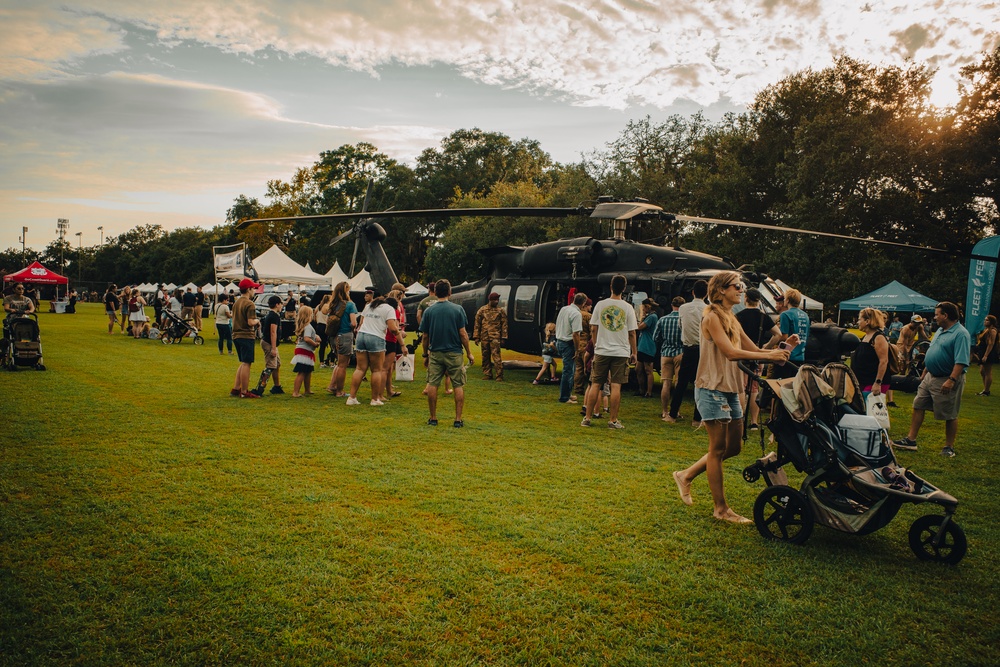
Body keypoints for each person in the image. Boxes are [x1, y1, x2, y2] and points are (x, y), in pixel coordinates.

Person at [673, 271, 795, 524]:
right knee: (717, 449)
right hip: (711, 388)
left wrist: (782, 349)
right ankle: (721, 509)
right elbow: (730, 353)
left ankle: (685, 475)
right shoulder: (713, 317)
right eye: (736, 286)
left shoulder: (731, 317)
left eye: (741, 286)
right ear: (720, 291)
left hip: (730, 389)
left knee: (734, 447)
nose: (741, 290)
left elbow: (754, 350)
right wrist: (769, 357)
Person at [893, 302, 971, 458]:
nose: (934, 317)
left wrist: (951, 380)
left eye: (936, 314)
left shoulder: (961, 334)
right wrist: (927, 369)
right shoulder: (941, 330)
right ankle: (911, 440)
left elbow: (961, 361)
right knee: (918, 404)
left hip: (946, 378)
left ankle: (949, 447)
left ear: (945, 315)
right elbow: (934, 351)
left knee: (950, 413)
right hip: (930, 377)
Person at [582, 274, 637, 429]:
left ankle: (587, 418)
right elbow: (632, 332)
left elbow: (594, 327)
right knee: (616, 386)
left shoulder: (600, 305)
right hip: (620, 351)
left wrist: (597, 344)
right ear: (624, 289)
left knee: (595, 384)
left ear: (611, 287)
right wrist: (634, 352)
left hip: (602, 350)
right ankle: (612, 420)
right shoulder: (627, 308)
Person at [419, 279, 474, 427]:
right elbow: (463, 333)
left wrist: (425, 355)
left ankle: (433, 417)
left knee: (432, 384)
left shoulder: (429, 311)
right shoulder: (458, 310)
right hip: (454, 352)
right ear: (450, 292)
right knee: (458, 385)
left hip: (435, 353)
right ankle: (457, 419)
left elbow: (425, 336)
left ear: (435, 292)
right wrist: (469, 352)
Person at [735, 288, 782, 429]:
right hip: (758, 356)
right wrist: (766, 347)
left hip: (742, 355)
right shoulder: (763, 317)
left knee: (741, 388)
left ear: (746, 299)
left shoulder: (739, 316)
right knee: (754, 388)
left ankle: (740, 418)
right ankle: (754, 421)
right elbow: (778, 334)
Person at [347, 290, 398, 406]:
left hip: (361, 336)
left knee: (360, 369)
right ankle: (375, 399)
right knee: (376, 370)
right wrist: (399, 333)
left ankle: (352, 397)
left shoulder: (369, 305)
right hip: (376, 337)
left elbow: (361, 322)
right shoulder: (389, 309)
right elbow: (392, 328)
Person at [667, 280, 708, 426]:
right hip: (703, 349)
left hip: (688, 347)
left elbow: (680, 325)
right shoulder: (708, 309)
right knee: (700, 383)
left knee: (681, 383)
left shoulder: (683, 308)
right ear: (707, 294)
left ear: (692, 292)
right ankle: (697, 419)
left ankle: (672, 414)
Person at [325, 281, 359, 397]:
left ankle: (332, 385)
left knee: (339, 363)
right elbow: (354, 323)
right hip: (345, 335)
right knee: (343, 365)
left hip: (334, 336)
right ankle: (339, 391)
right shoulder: (350, 305)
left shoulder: (333, 305)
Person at [654, 296, 685, 421]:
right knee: (678, 383)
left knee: (666, 383)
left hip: (666, 353)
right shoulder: (684, 320)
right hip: (680, 352)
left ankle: (664, 410)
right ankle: (675, 410)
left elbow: (655, 337)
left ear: (672, 305)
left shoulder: (663, 319)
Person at [850, 308, 891, 401]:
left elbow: (883, 361)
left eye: (860, 319)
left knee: (869, 408)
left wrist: (878, 383)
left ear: (867, 321)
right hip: (863, 380)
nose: (858, 322)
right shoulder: (866, 336)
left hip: (873, 382)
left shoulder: (878, 337)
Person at [230, 278, 262, 398]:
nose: (254, 290)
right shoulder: (249, 303)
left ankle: (236, 388)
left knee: (243, 362)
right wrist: (257, 321)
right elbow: (250, 322)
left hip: (236, 335)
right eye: (253, 288)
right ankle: (244, 391)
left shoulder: (236, 302)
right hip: (246, 335)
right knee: (247, 363)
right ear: (248, 289)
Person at [555, 292, 587, 404]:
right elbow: (576, 334)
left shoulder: (564, 309)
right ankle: (564, 397)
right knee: (568, 371)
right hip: (568, 343)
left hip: (559, 340)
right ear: (583, 303)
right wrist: (577, 349)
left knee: (571, 369)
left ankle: (568, 393)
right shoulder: (577, 314)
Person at [251, 295, 285, 396]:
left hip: (269, 342)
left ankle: (277, 386)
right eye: (281, 304)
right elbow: (273, 332)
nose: (282, 306)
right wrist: (273, 349)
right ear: (277, 304)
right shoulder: (274, 316)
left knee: (277, 364)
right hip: (269, 343)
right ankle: (260, 389)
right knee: (270, 366)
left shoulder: (270, 314)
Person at [774, 288, 810, 380]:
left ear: (788, 300)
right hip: (801, 356)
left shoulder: (785, 314)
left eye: (785, 299)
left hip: (787, 356)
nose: (784, 301)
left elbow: (784, 337)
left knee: (781, 385)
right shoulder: (805, 315)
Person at [473, 291, 508, 381]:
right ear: (490, 300)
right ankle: (487, 374)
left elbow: (504, 324)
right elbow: (477, 324)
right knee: (485, 356)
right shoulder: (482, 310)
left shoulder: (500, 311)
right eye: (495, 300)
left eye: (497, 300)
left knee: (496, 356)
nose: (497, 301)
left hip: (495, 337)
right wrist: (476, 337)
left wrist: (504, 337)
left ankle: (499, 375)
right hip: (484, 337)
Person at [382, 292, 409, 398]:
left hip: (382, 339)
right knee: (386, 369)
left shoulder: (382, 310)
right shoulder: (394, 312)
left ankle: (389, 391)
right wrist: (402, 344)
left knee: (386, 369)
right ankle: (380, 394)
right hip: (391, 340)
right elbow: (396, 329)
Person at [290, 305, 320, 397]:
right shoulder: (308, 327)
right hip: (305, 351)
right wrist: (315, 344)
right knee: (302, 372)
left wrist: (315, 336)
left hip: (303, 350)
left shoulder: (305, 326)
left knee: (308, 371)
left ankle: (307, 389)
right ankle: (295, 392)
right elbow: (307, 338)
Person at [635, 299, 659, 398]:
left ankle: (648, 392)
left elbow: (640, 327)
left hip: (648, 346)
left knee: (648, 369)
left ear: (647, 306)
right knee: (638, 369)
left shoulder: (652, 317)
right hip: (642, 346)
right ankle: (641, 389)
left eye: (643, 307)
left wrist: (641, 318)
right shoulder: (649, 316)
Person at [572, 299, 593, 399]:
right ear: (586, 305)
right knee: (588, 367)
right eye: (590, 305)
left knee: (578, 368)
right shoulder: (589, 316)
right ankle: (590, 387)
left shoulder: (575, 314)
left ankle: (578, 388)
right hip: (586, 344)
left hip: (577, 343)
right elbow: (592, 330)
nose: (591, 307)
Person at [977, 314, 998, 396]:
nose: (985, 321)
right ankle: (985, 389)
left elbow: (991, 344)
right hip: (983, 352)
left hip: (988, 353)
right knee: (982, 371)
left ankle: (986, 391)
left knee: (987, 371)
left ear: (991, 322)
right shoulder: (986, 329)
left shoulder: (992, 330)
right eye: (985, 320)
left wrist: (986, 355)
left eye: (987, 320)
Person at [314, 294, 332, 367]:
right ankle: (330, 360)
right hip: (325, 326)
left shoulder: (318, 306)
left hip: (318, 326)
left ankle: (321, 362)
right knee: (331, 345)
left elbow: (314, 316)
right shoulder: (327, 307)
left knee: (322, 345)